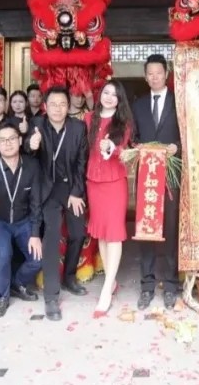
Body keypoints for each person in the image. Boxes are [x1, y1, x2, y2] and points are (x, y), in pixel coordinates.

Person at [26, 86, 90, 321]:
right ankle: (51, 296)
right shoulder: (37, 124)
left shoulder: (78, 127)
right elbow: (27, 151)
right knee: (51, 237)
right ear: (45, 106)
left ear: (68, 106)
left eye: (62, 104)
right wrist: (31, 145)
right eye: (53, 104)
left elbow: (82, 162)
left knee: (78, 233)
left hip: (70, 188)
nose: (58, 109)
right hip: (47, 190)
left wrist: (76, 192)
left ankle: (69, 277)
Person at [130, 54, 181, 311]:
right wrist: (137, 146)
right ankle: (147, 286)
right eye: (150, 73)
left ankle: (171, 285)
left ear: (166, 74)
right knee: (146, 230)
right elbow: (133, 137)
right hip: (147, 176)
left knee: (170, 230)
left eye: (158, 73)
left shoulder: (178, 101)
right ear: (145, 76)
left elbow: (188, 134)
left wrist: (177, 147)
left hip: (170, 176)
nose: (154, 77)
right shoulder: (138, 105)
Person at [0, 121, 43, 317]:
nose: (7, 143)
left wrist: (35, 234)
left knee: (37, 259)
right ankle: (2, 297)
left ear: (20, 140)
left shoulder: (32, 166)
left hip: (24, 221)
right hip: (0, 222)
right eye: (3, 140)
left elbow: (36, 203)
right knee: (3, 256)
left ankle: (17, 283)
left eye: (12, 139)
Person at [85, 81, 134, 316]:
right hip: (93, 182)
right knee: (102, 234)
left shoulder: (124, 123)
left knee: (113, 234)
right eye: (106, 92)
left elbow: (125, 152)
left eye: (115, 95)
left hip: (114, 183)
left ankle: (106, 288)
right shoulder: (88, 119)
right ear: (100, 95)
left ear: (119, 100)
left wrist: (111, 147)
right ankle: (111, 280)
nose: (109, 97)